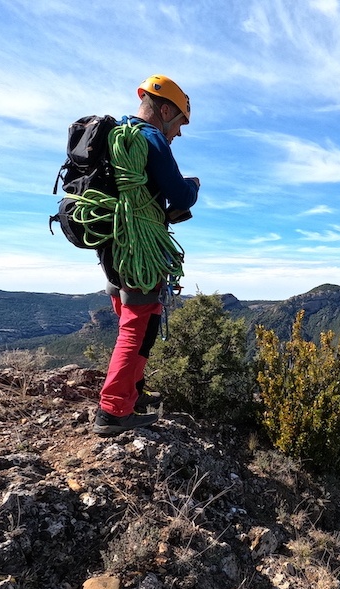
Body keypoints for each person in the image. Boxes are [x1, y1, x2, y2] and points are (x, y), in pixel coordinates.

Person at [93, 74, 200, 436]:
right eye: (180, 122)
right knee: (137, 328)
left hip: (113, 244)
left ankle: (132, 393)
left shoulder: (117, 136)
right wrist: (193, 186)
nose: (179, 133)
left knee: (141, 321)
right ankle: (113, 410)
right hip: (139, 247)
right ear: (166, 109)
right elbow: (180, 196)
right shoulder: (151, 137)